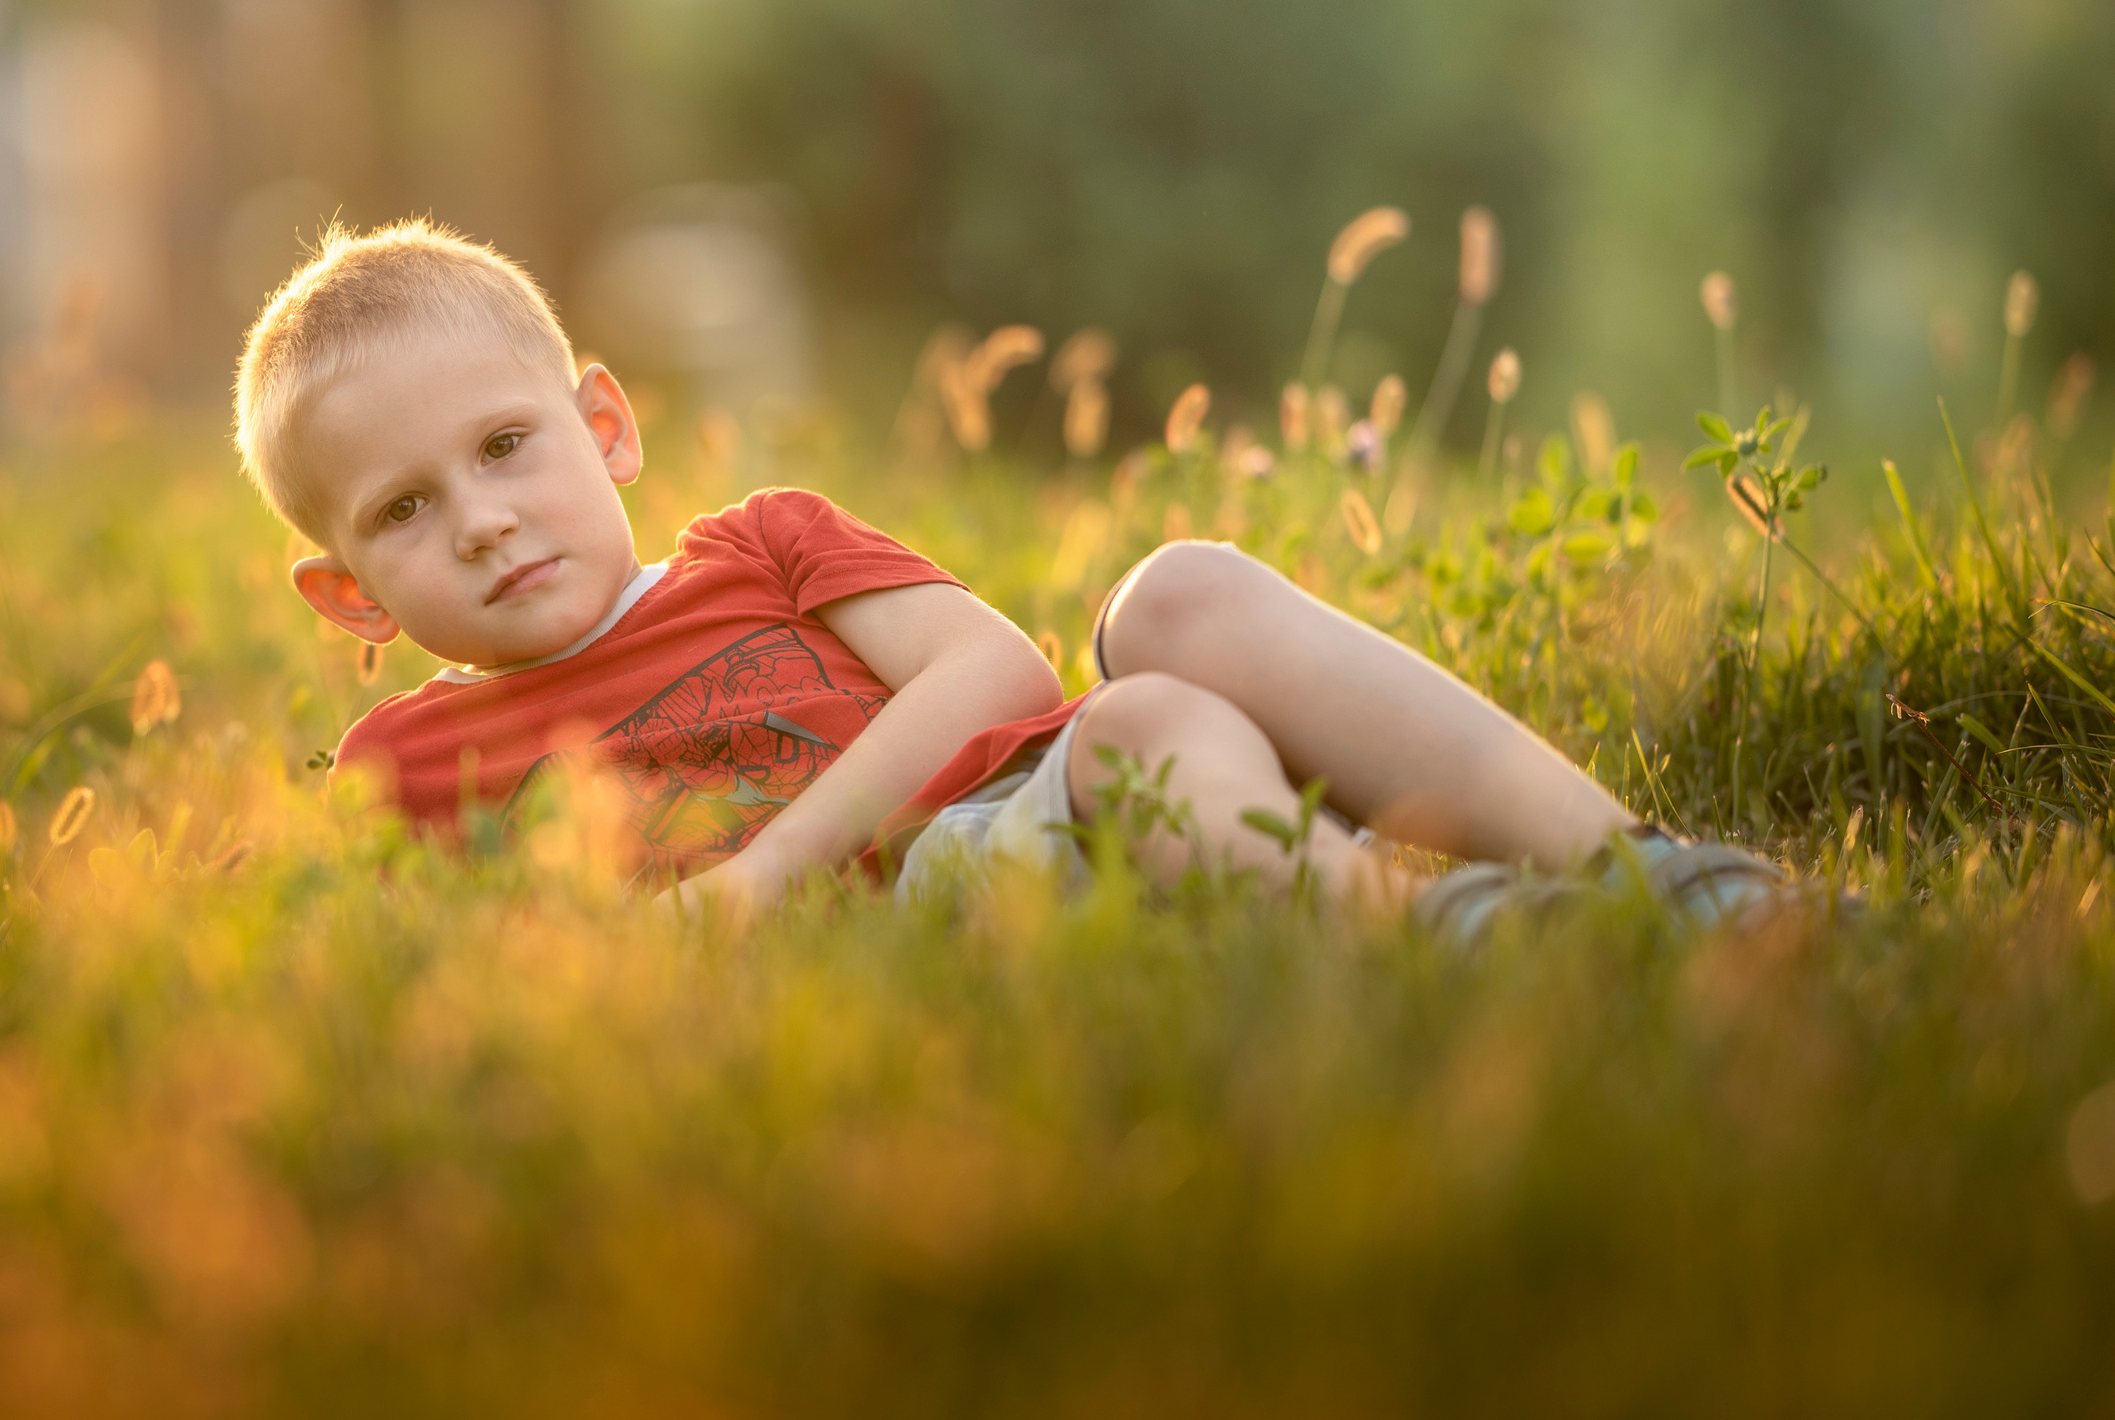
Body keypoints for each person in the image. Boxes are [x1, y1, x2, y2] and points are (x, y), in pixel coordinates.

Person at [236, 220, 1783, 931]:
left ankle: (1654, 875)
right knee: (1144, 740)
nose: (487, 519)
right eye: (406, 510)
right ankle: (1438, 942)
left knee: (1174, 612)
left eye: (508, 446)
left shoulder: (762, 543)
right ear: (352, 595)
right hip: (944, 901)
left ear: (608, 425)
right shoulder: (405, 764)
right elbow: (386, 967)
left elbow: (1001, 676)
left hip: (1018, 792)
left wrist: (760, 875)